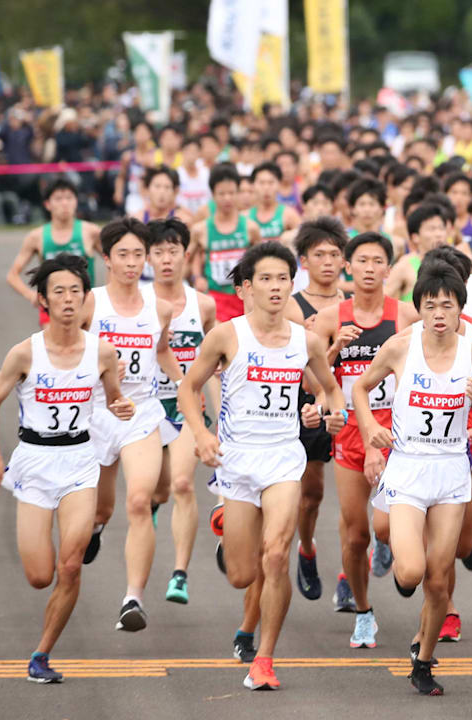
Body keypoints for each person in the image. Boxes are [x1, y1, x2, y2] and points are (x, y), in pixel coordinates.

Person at [178, 242, 347, 691]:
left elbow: (328, 388)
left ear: (293, 285)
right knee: (241, 575)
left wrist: (330, 413)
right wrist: (201, 435)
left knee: (276, 555)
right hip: (236, 462)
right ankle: (229, 528)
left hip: (282, 460)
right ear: (248, 287)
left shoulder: (305, 340)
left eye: (282, 279)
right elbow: (188, 389)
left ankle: (266, 659)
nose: (275, 287)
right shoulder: (227, 336)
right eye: (266, 280)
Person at [354, 262, 472, 696]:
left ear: (461, 310)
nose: (439, 313)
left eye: (448, 305)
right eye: (431, 305)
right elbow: (360, 388)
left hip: (451, 470)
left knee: (440, 578)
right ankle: (404, 576)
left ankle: (422, 660)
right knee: (411, 572)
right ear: (419, 309)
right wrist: (369, 427)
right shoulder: (399, 347)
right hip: (407, 467)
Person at [0, 254, 134, 683]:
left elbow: (113, 397)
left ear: (86, 298)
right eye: (59, 291)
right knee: (38, 575)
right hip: (33, 462)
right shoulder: (23, 353)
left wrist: (122, 407)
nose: (68, 299)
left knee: (70, 566)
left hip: (80, 462)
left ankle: (41, 654)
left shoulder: (102, 352)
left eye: (75, 291)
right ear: (44, 299)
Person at [312, 232, 417, 637]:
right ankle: (363, 611)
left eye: (378, 262)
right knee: (355, 535)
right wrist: (336, 347)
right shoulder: (330, 318)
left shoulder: (405, 316)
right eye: (362, 261)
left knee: (383, 526)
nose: (370, 269)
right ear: (348, 267)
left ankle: (389, 543)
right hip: (351, 430)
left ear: (389, 270)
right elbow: (316, 379)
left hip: (396, 430)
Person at [80, 218, 182, 632]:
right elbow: (65, 352)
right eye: (122, 254)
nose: (131, 262)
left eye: (138, 254)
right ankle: (98, 527)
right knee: (102, 507)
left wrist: (187, 387)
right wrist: (102, 370)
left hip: (141, 413)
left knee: (140, 501)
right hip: (96, 414)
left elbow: (162, 353)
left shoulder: (159, 308)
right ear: (106, 258)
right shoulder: (90, 302)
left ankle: (132, 599)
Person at [147, 218, 218, 604]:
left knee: (183, 484)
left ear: (186, 255)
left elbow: (217, 360)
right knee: (158, 489)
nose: (167, 259)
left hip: (187, 409)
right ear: (148, 258)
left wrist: (219, 415)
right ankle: (155, 503)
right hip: (146, 409)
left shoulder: (202, 305)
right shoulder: (138, 304)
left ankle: (179, 574)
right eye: (158, 252)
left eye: (173, 251)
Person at [282, 218, 350, 602]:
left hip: (352, 405)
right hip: (307, 403)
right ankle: (306, 548)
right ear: (304, 261)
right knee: (311, 495)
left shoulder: (357, 302)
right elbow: (307, 370)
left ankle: (348, 573)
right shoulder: (292, 307)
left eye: (335, 254)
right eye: (319, 254)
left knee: (357, 495)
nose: (327, 261)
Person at [6, 179, 100, 325]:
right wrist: (31, 296)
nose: (64, 203)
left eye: (69, 198)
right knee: (54, 347)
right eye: (58, 199)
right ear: (47, 204)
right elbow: (12, 275)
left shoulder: (90, 231)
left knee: (85, 346)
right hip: (52, 308)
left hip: (85, 304)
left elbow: (112, 261)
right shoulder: (36, 236)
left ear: (76, 201)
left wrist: (106, 295)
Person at [190, 165, 260, 322]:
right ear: (213, 195)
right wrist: (197, 277)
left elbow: (260, 262)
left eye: (232, 193)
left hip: (244, 298)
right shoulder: (201, 229)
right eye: (221, 193)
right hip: (215, 298)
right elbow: (189, 257)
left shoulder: (251, 228)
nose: (227, 198)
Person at [384, 203, 448, 304]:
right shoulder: (404, 266)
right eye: (432, 229)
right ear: (415, 237)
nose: (438, 234)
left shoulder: (455, 263)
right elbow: (384, 300)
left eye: (441, 228)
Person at [248, 163, 301, 240]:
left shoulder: (289, 214)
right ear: (253, 185)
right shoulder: (245, 217)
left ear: (279, 184)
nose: (266, 188)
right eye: (261, 183)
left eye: (271, 182)